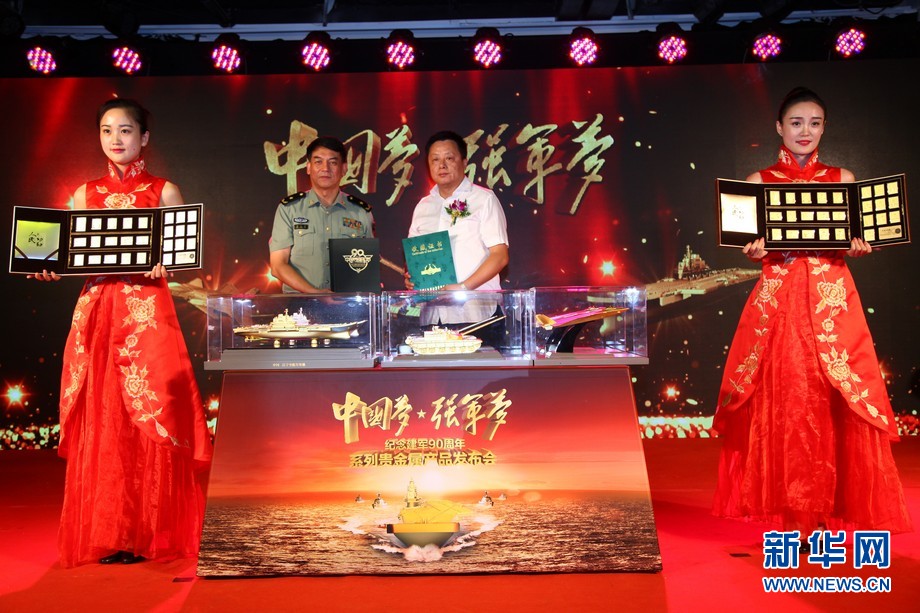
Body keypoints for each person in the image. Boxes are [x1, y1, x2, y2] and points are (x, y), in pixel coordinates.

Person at [712, 87, 911, 537]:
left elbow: (859, 237)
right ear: (779, 127)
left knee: (832, 402)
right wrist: (754, 250)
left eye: (815, 123)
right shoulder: (758, 181)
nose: (805, 131)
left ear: (824, 128)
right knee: (787, 404)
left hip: (830, 303)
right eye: (796, 122)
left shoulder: (843, 179)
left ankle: (823, 515)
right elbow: (749, 243)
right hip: (780, 306)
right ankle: (791, 518)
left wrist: (860, 246)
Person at [31, 98, 213, 567]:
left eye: (126, 130)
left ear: (144, 137)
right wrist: (50, 267)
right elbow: (72, 257)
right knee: (104, 418)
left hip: (146, 315)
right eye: (107, 130)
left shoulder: (164, 190)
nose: (116, 139)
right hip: (97, 313)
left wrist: (166, 263)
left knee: (149, 416)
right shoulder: (83, 194)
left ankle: (146, 533)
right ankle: (110, 531)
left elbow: (184, 257)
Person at [405, 131, 509, 340]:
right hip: (433, 317)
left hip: (476, 313)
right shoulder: (423, 206)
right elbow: (417, 257)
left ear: (464, 162)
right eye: (435, 159)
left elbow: (500, 255)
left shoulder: (483, 199)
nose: (442, 165)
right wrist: (413, 278)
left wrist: (462, 288)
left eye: (449, 158)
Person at [269, 136, 374, 293]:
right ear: (308, 167)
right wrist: (315, 293)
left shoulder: (361, 212)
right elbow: (278, 266)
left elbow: (369, 264)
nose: (325, 168)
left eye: (333, 162)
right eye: (318, 162)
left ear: (344, 168)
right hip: (300, 303)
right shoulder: (289, 209)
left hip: (346, 303)